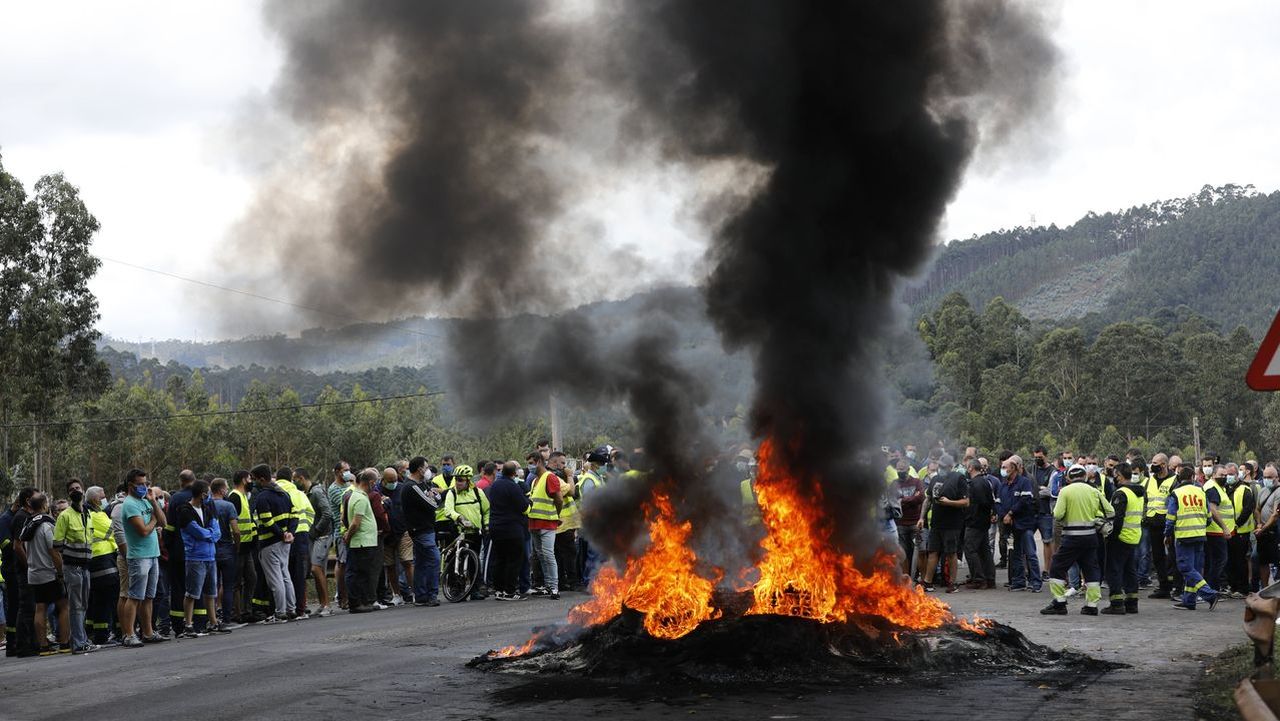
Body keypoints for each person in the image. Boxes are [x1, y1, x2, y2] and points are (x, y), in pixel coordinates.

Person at [1042, 465, 1112, 616]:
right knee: (1091, 570)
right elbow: (1110, 511)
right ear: (1085, 476)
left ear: (1068, 478)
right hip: (1091, 538)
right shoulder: (1094, 491)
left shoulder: (1065, 491)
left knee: (1057, 567)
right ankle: (1092, 606)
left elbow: (1058, 514)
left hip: (1071, 538)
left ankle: (1059, 603)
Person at [120, 470, 167, 647]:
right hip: (139, 556)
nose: (144, 487)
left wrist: (154, 502)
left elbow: (164, 522)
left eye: (146, 484)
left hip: (153, 554)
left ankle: (147, 632)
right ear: (131, 485)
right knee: (135, 596)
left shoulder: (145, 501)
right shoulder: (130, 504)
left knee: (148, 597)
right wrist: (154, 520)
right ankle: (129, 634)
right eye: (140, 484)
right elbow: (144, 530)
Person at [177, 480, 229, 637]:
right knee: (192, 593)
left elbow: (217, 531)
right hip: (195, 557)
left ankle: (213, 623)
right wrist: (210, 534)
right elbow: (196, 532)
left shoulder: (208, 508)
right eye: (207, 493)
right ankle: (188, 625)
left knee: (211, 592)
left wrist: (210, 535)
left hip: (210, 556)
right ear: (202, 494)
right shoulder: (185, 510)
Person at [1165, 465, 1219, 611]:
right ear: (1192, 478)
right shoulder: (1201, 492)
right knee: (1194, 568)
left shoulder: (1176, 493)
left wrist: (1167, 534)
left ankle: (1209, 594)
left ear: (1179, 479)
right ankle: (1189, 601)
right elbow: (1209, 518)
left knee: (1185, 568)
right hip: (1200, 536)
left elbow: (1170, 518)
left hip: (1184, 537)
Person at [21, 494, 69, 655]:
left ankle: (43, 647)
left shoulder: (28, 524)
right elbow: (54, 551)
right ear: (43, 505)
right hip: (49, 573)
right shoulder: (46, 525)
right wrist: (61, 571)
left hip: (33, 573)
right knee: (63, 606)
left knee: (40, 608)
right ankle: (64, 643)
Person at [52, 480, 95, 653]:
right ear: (68, 494)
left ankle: (82, 639)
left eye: (77, 488)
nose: (75, 491)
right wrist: (70, 557)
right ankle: (78, 643)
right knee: (76, 606)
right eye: (71, 490)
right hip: (73, 568)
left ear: (83, 490)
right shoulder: (65, 516)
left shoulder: (87, 513)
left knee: (83, 605)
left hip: (86, 567)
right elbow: (57, 544)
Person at [252, 463, 297, 623]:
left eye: (255, 479)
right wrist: (290, 533)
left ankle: (280, 612)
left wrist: (282, 534)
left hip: (270, 543)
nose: (253, 482)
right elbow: (295, 515)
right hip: (285, 543)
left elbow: (267, 520)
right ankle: (291, 609)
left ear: (262, 479)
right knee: (285, 576)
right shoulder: (283, 494)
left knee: (275, 578)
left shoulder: (263, 497)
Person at [442, 465, 491, 600]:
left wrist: (486, 525)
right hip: (458, 531)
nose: (458, 482)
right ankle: (456, 588)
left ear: (468, 480)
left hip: (475, 532)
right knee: (454, 560)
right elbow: (448, 510)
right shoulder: (451, 493)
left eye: (461, 480)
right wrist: (459, 517)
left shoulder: (477, 492)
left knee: (473, 562)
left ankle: (475, 590)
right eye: (456, 479)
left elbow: (486, 510)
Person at [919, 454, 966, 593]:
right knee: (933, 552)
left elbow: (966, 502)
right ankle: (928, 582)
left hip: (952, 524)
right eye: (940, 466)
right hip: (936, 523)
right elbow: (928, 499)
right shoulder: (935, 478)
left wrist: (949, 502)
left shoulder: (959, 478)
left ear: (951, 466)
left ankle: (952, 583)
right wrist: (921, 518)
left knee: (951, 553)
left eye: (944, 467)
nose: (941, 469)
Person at [1102, 463, 1144, 615]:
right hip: (1133, 536)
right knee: (1129, 570)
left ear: (1119, 475)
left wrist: (1110, 536)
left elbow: (1117, 518)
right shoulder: (1138, 492)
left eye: (1115, 475)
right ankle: (1132, 603)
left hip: (1120, 537)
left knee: (1114, 570)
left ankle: (1116, 603)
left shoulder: (1121, 493)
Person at [401, 456, 442, 608]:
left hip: (426, 528)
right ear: (419, 469)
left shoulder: (422, 484)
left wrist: (434, 496)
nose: (428, 470)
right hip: (421, 530)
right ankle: (431, 594)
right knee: (434, 559)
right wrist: (434, 498)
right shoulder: (412, 487)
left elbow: (435, 495)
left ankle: (421, 595)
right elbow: (433, 504)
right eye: (426, 467)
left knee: (422, 563)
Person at [489, 461, 532, 600]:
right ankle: (510, 591)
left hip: (495, 527)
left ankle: (499, 590)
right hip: (512, 528)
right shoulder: (513, 486)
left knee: (500, 559)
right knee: (514, 560)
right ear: (514, 473)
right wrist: (530, 503)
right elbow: (525, 508)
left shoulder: (494, 485)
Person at [999, 455, 1042, 592]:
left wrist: (1011, 513)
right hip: (1011, 526)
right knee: (1015, 555)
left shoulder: (1024, 482)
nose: (1003, 469)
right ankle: (1019, 582)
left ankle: (1036, 582)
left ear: (1013, 468)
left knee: (1030, 554)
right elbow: (998, 503)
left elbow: (1025, 501)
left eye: (1005, 467)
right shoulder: (1004, 484)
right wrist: (1004, 516)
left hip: (1024, 524)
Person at [277, 467, 315, 618]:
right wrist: (305, 528)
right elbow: (311, 513)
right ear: (290, 479)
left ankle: (285, 608)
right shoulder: (299, 494)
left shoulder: (273, 493)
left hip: (281, 537)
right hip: (301, 537)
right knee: (299, 575)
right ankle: (300, 609)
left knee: (281, 574)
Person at [342, 468, 381, 613]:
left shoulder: (359, 495)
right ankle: (356, 603)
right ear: (370, 482)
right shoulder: (359, 498)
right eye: (375, 482)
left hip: (364, 541)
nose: (375, 485)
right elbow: (356, 523)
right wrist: (348, 535)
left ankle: (364, 601)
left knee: (363, 573)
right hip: (361, 541)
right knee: (358, 574)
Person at [528, 451, 563, 600]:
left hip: (547, 523)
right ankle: (548, 585)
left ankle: (554, 587)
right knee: (541, 555)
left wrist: (557, 515)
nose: (529, 466)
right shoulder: (534, 480)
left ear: (539, 462)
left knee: (548, 555)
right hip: (534, 523)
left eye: (531, 462)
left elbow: (559, 499)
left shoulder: (550, 477)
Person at [299, 470, 335, 617]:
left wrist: (316, 531)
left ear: (301, 478)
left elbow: (327, 513)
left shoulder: (317, 492)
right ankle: (322, 604)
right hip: (316, 537)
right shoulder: (308, 493)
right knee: (318, 570)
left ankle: (327, 604)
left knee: (315, 568)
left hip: (322, 536)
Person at [377, 467, 413, 605]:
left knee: (407, 562)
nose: (393, 483)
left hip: (403, 531)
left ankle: (415, 592)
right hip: (386, 534)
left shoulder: (402, 488)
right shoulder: (377, 490)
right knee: (390, 565)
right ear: (383, 480)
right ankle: (396, 594)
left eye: (395, 480)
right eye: (390, 481)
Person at [209, 479, 241, 626]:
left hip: (211, 549)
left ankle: (212, 618)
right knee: (228, 586)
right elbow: (235, 529)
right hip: (227, 549)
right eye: (226, 488)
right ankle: (227, 618)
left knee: (212, 586)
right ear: (221, 490)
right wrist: (237, 545)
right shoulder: (228, 506)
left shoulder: (206, 505)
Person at [1143, 453, 1176, 599]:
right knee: (1157, 556)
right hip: (1152, 522)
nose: (1152, 465)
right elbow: (1145, 500)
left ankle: (1174, 584)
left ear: (1163, 464)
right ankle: (1163, 586)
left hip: (1168, 523)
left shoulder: (1174, 480)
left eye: (1155, 463)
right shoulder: (1149, 480)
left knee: (1173, 555)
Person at [962, 458, 996, 589]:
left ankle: (978, 579)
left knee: (970, 548)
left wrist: (971, 516)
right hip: (982, 521)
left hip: (975, 522)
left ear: (971, 468)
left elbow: (982, 503)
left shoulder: (976, 484)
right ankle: (989, 578)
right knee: (984, 550)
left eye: (967, 467)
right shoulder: (985, 482)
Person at [1203, 465, 1234, 596]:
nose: (1224, 477)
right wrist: (1224, 527)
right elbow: (1213, 509)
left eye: (1225, 475)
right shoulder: (1212, 489)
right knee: (1219, 560)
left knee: (1214, 561)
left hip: (1216, 531)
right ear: (1214, 474)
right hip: (1215, 531)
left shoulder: (1217, 487)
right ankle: (1212, 589)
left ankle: (1211, 589)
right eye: (1221, 475)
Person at [1227, 464, 1256, 597]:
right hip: (1229, 531)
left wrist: (1236, 524)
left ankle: (1242, 588)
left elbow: (1248, 509)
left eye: (1232, 474)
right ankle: (1233, 586)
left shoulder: (1245, 489)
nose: (1229, 477)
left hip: (1241, 531)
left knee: (1240, 560)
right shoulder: (1227, 488)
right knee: (1231, 560)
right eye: (1227, 474)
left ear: (1237, 474)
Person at [893, 460, 925, 576]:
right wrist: (912, 498)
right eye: (898, 470)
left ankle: (922, 580)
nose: (900, 472)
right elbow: (893, 500)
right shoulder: (894, 484)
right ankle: (907, 579)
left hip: (915, 522)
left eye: (902, 470)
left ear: (908, 469)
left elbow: (921, 497)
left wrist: (902, 500)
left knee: (921, 552)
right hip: (900, 523)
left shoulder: (917, 482)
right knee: (903, 554)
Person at [328, 463, 351, 610]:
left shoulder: (348, 486)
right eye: (345, 470)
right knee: (342, 564)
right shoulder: (334, 489)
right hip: (341, 532)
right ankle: (342, 597)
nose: (348, 473)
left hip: (352, 531)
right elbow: (347, 501)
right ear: (337, 472)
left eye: (349, 470)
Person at [1255, 464, 1280, 588]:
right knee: (1262, 561)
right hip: (1263, 532)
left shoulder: (1279, 492)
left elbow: (1275, 514)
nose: (1267, 479)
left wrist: (1263, 528)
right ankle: (1264, 589)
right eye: (1265, 477)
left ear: (1277, 477)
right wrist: (1259, 524)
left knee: (1276, 561)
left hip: (1275, 531)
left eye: (1270, 477)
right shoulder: (1263, 490)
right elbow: (1257, 509)